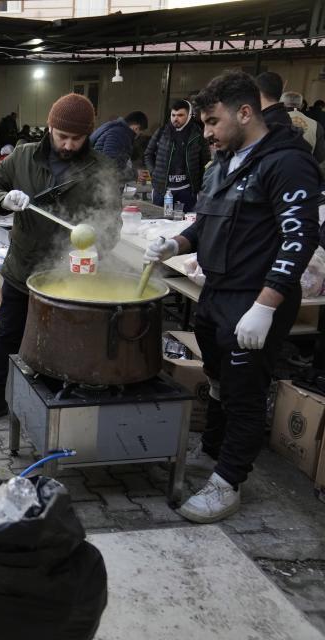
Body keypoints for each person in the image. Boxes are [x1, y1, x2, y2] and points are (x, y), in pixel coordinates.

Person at [144, 71, 319, 523]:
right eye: (202, 123)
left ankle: (228, 483)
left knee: (245, 392)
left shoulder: (286, 163)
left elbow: (298, 240)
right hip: (216, 293)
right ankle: (216, 452)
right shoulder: (226, 160)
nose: (206, 133)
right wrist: (175, 244)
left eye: (212, 122)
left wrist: (266, 305)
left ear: (245, 112)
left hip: (254, 299)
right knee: (218, 379)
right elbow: (207, 225)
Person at [0, 93, 121, 427]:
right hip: (22, 268)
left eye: (77, 138)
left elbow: (112, 221)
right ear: (50, 127)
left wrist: (100, 244)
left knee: (61, 343)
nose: (68, 145)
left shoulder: (101, 169)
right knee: (10, 334)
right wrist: (2, 199)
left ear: (88, 135)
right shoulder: (23, 156)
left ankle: (50, 403)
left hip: (69, 276)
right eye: (62, 136)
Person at [143, 99, 211, 212]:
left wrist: (198, 183)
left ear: (189, 115)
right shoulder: (162, 132)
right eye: (173, 115)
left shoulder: (198, 135)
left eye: (180, 115)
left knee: (186, 224)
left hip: (187, 191)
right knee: (159, 224)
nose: (175, 118)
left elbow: (205, 160)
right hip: (163, 189)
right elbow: (148, 154)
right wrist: (154, 172)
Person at [89, 111, 148, 176]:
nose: (138, 135)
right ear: (136, 128)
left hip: (95, 175)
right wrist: (135, 174)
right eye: (140, 133)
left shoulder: (116, 129)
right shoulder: (119, 134)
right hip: (99, 179)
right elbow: (111, 166)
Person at [281, 91, 325, 163]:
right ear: (301, 105)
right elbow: (320, 156)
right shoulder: (316, 125)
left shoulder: (272, 120)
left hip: (276, 168)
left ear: (282, 104)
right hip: (304, 168)